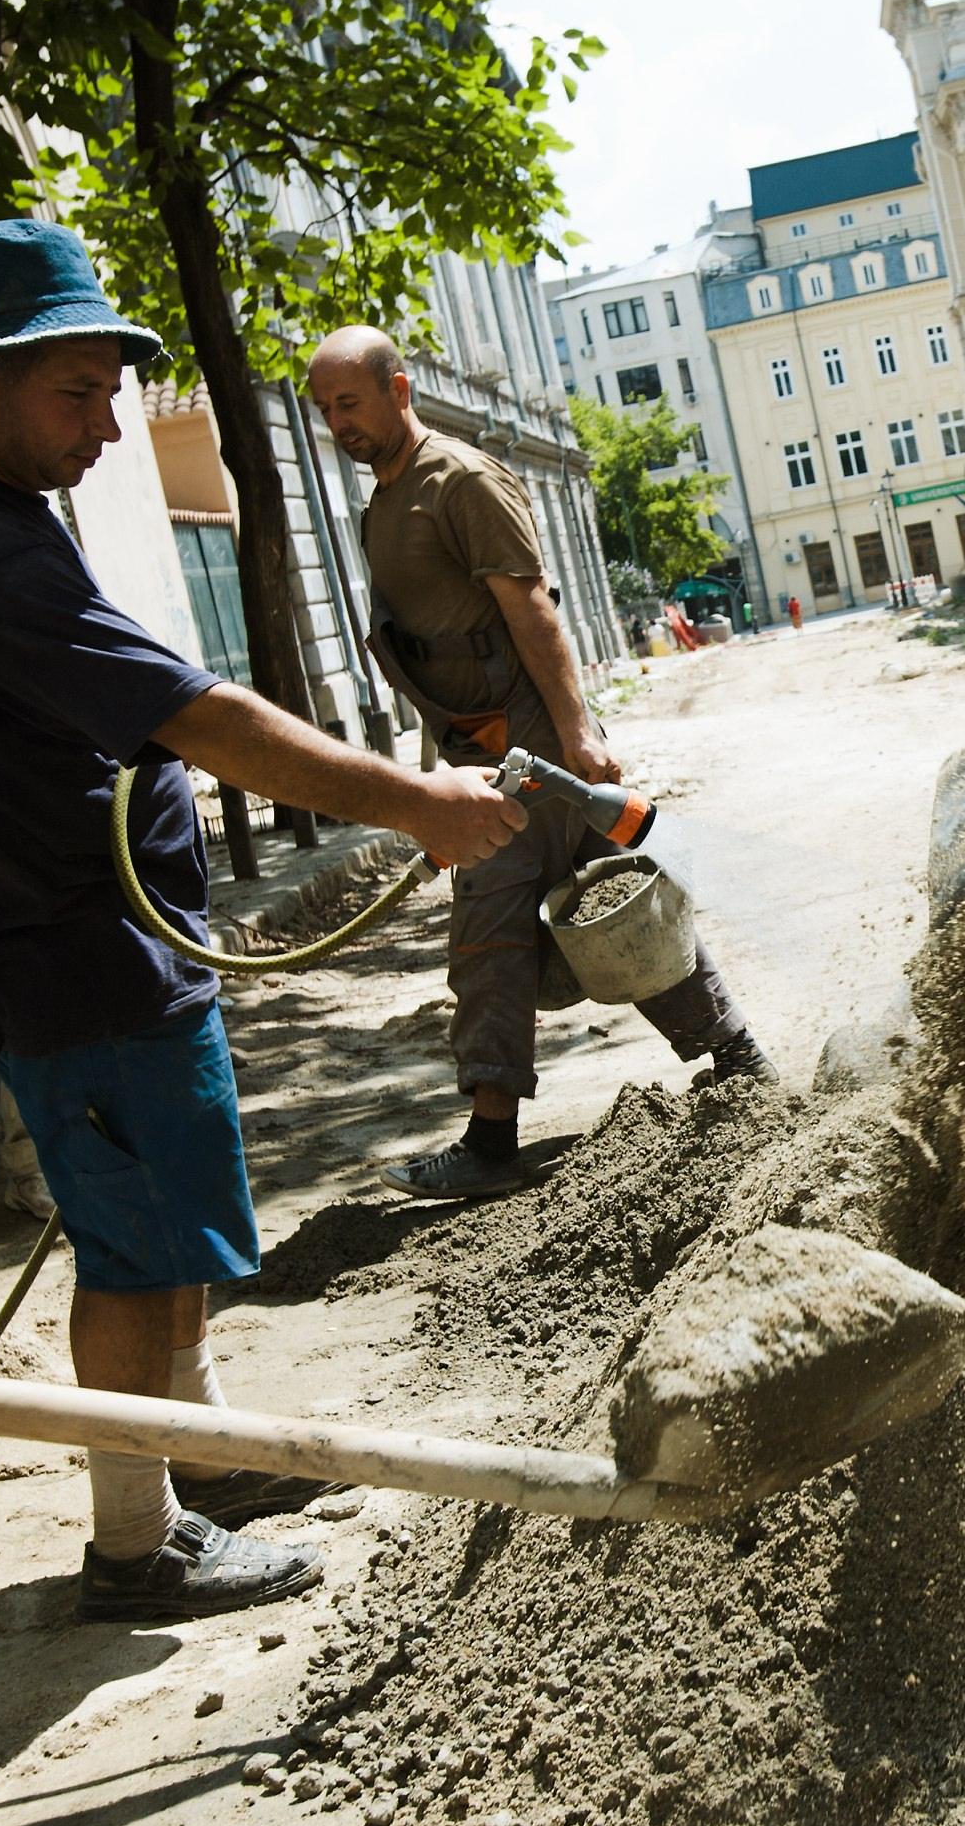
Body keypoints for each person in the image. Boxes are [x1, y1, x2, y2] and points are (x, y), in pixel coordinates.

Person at [0, 223, 530, 1622]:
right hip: (70, 953)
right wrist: (415, 802)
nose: (109, 425)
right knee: (136, 1248)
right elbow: (198, 716)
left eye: (111, 391)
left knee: (164, 1220)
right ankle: (134, 1541)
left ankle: (199, 1462)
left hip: (90, 940)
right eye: (77, 394)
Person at [305, 327, 770, 1202]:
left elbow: (534, 614)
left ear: (398, 389)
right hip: (479, 747)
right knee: (609, 900)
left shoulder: (463, 480)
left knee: (494, 929)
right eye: (325, 409)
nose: (338, 422)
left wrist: (578, 736)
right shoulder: (385, 501)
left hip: (528, 747)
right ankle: (737, 1057)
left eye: (350, 403)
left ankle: (490, 1143)